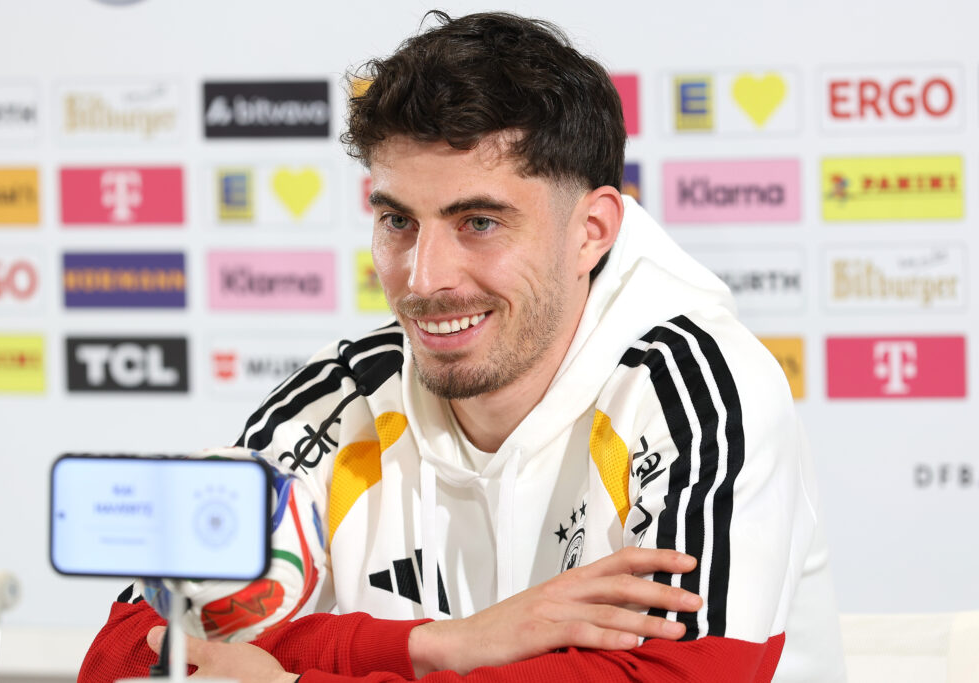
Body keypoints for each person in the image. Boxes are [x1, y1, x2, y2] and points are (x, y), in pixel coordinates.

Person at [79, 11, 844, 682]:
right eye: (398, 221)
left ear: (592, 230)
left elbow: (677, 678)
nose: (424, 277)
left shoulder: (697, 384)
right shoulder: (348, 391)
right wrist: (450, 644)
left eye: (479, 222)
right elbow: (126, 655)